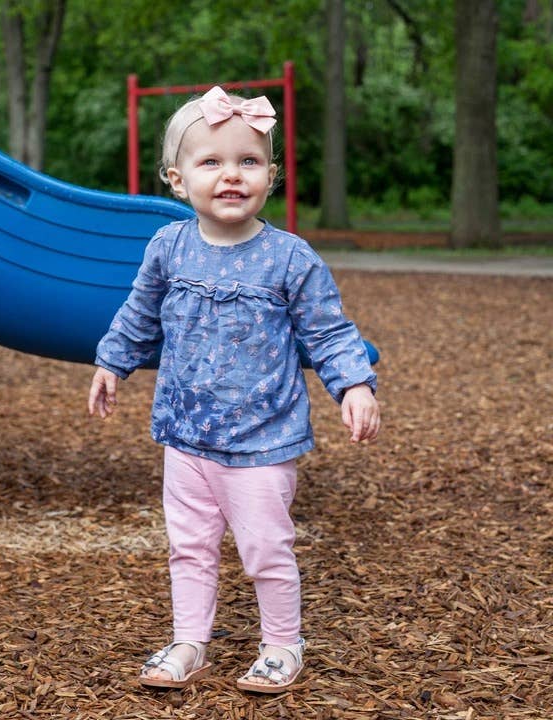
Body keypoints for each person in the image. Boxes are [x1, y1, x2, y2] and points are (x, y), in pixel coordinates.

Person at [88, 86, 380, 694]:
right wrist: (111, 364)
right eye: (211, 162)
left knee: (266, 550)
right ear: (176, 178)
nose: (231, 175)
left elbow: (328, 331)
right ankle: (189, 639)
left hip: (261, 441)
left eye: (248, 162)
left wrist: (353, 384)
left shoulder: (290, 259)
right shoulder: (167, 248)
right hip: (185, 434)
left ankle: (282, 644)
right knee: (188, 547)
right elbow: (138, 315)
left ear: (270, 176)